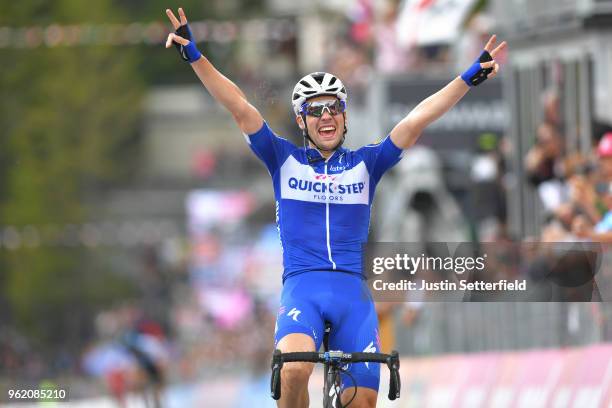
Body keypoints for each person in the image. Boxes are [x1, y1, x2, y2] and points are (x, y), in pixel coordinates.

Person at [164, 7, 505, 408]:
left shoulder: (367, 163)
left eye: (333, 107)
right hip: (302, 288)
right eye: (315, 109)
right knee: (293, 369)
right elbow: (239, 105)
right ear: (301, 119)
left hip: (351, 294)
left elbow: (416, 120)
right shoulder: (282, 157)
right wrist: (196, 58)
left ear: (344, 116)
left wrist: (466, 78)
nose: (326, 116)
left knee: (362, 403)